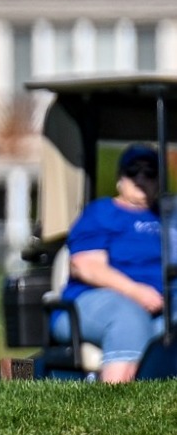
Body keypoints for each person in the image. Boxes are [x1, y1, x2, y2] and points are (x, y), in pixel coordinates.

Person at [57, 143, 167, 383]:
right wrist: (136, 292)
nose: (141, 178)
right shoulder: (102, 212)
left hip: (162, 305)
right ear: (120, 178)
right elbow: (86, 266)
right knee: (128, 316)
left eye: (149, 172)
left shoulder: (167, 217)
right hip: (95, 300)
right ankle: (116, 398)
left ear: (159, 180)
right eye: (133, 171)